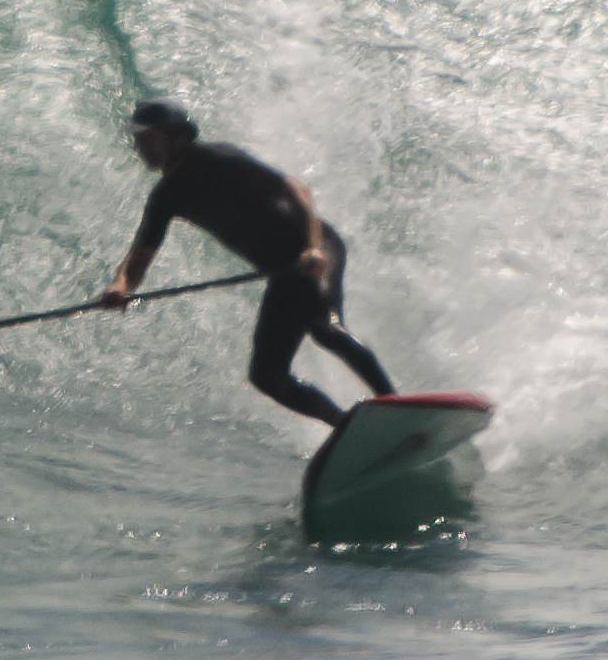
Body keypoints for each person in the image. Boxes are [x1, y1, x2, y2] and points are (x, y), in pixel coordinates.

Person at [98, 99, 396, 429]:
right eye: (137, 139)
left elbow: (298, 191)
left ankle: (395, 406)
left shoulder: (218, 158)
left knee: (325, 328)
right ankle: (346, 428)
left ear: (176, 135)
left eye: (146, 138)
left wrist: (313, 248)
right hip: (284, 272)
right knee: (267, 376)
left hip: (317, 248)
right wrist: (119, 287)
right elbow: (138, 258)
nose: (138, 146)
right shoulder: (165, 197)